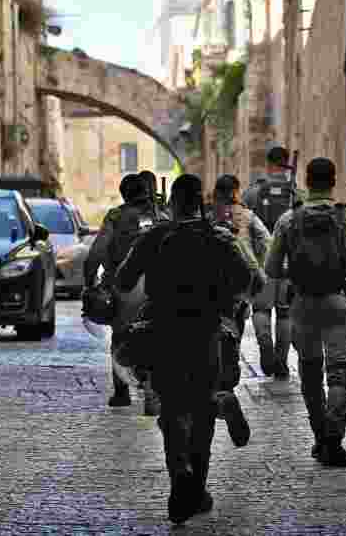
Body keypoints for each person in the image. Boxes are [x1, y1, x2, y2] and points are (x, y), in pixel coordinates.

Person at [114, 174, 261, 525]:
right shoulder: (220, 237)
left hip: (164, 333)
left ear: (174, 202)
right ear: (200, 202)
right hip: (206, 333)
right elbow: (250, 281)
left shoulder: (155, 236)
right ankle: (197, 485)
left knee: (171, 408)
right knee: (202, 412)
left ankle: (180, 471)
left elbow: (123, 279)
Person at [263, 157, 346, 468]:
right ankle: (333, 441)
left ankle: (319, 439)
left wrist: (299, 268)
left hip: (302, 305)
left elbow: (272, 269)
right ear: (333, 180)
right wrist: (345, 261)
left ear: (307, 180)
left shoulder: (289, 220)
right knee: (339, 374)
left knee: (310, 374)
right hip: (339, 303)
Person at [83, 173, 166, 415]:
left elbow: (96, 252)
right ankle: (154, 392)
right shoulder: (164, 214)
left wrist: (90, 283)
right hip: (162, 285)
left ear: (124, 195)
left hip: (125, 287)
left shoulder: (117, 216)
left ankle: (121, 392)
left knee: (120, 338)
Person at [207, 175, 270, 446]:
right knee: (232, 334)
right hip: (240, 286)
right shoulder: (247, 216)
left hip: (209, 290)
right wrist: (260, 269)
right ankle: (227, 383)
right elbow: (266, 241)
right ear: (235, 191)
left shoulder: (205, 218)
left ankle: (215, 384)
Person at [242, 146, 306, 379]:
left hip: (262, 263)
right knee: (285, 313)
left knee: (261, 309)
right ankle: (281, 361)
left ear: (268, 164)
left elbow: (243, 225)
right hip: (290, 264)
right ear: (287, 163)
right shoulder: (296, 194)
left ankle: (265, 350)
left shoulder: (253, 192)